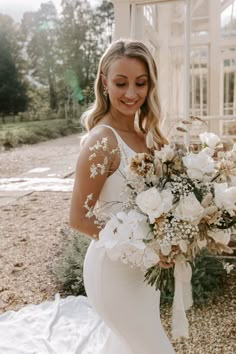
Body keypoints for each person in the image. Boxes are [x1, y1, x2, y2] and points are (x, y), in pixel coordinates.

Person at [70, 39, 176, 354]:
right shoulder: (102, 140)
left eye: (140, 83)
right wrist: (143, 251)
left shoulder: (150, 136)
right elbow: (79, 218)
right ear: (104, 82)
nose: (131, 93)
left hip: (145, 275)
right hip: (113, 273)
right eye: (121, 83)